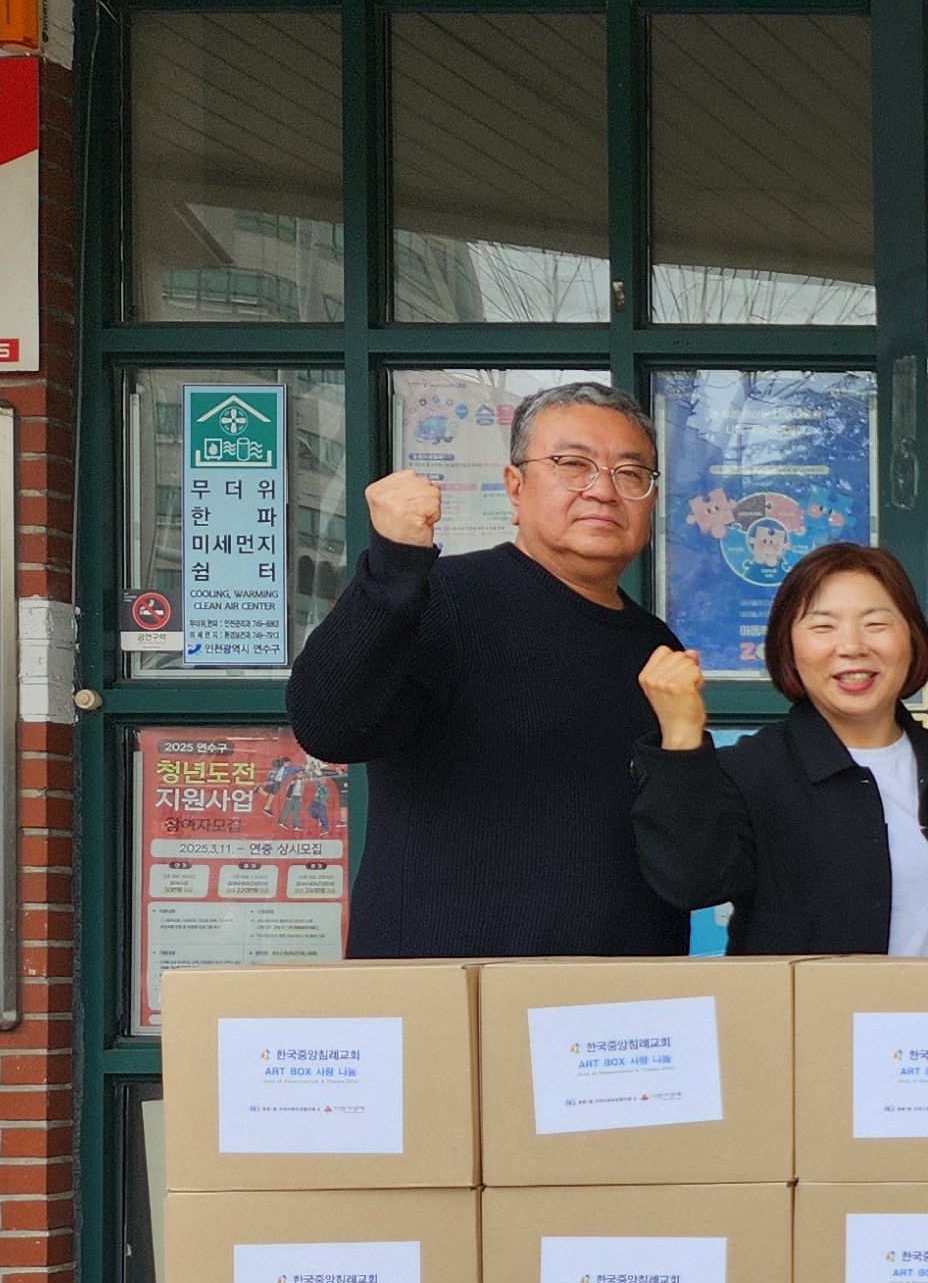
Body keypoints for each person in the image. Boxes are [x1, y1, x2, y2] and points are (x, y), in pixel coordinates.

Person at [287, 380, 686, 958]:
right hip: (448, 1002)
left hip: (607, 1020)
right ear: (515, 487)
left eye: (631, 474)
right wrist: (394, 565)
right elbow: (327, 725)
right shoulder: (439, 599)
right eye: (573, 464)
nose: (603, 491)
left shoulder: (654, 647)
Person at [632, 543, 928, 955]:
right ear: (788, 646)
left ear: (912, 638)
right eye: (823, 627)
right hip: (808, 1018)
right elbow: (689, 882)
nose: (852, 646)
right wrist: (681, 735)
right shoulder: (752, 771)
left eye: (876, 624)